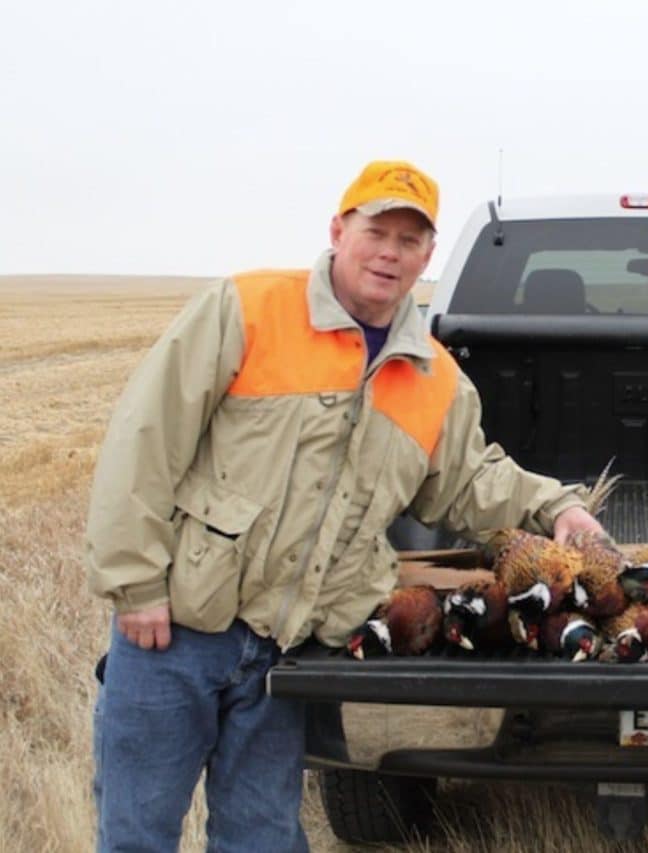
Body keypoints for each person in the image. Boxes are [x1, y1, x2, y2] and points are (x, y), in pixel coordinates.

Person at [86, 160, 605, 850]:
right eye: (377, 231)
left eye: (410, 240)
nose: (390, 252)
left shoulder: (434, 377)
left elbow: (471, 477)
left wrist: (558, 508)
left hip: (290, 652)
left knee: (263, 838)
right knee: (137, 833)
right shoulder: (248, 308)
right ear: (338, 230)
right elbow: (145, 436)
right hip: (179, 627)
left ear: (428, 255)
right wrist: (134, 583)